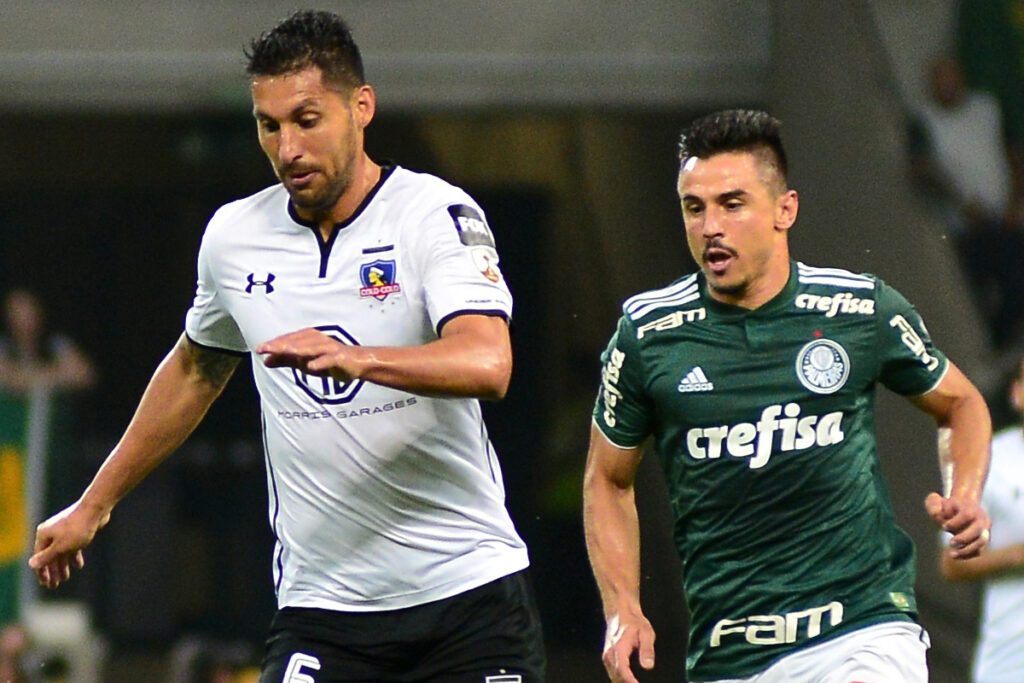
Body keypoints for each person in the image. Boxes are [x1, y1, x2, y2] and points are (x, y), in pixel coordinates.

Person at [28, 10, 544, 682]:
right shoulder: (235, 236)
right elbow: (196, 366)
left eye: (307, 119)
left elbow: (488, 362)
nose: (287, 147)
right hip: (323, 608)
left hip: (467, 599)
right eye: (268, 125)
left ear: (361, 108)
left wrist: (361, 358)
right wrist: (94, 505)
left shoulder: (432, 214)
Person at [583, 109, 993, 683]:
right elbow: (608, 476)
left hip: (863, 630)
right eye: (693, 208)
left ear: (785, 209)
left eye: (732, 203)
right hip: (730, 650)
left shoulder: (859, 311)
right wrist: (621, 606)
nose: (709, 228)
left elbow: (961, 402)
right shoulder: (648, 334)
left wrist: (967, 494)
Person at [907, 55, 1024, 350]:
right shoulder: (926, 121)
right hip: (967, 228)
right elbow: (921, 168)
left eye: (952, 76)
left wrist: (1015, 199)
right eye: (940, 79)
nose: (948, 84)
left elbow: (1012, 152)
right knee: (993, 291)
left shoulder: (985, 108)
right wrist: (961, 202)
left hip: (1005, 216)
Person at [939, 356, 1024, 682]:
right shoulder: (990, 461)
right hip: (1010, 660)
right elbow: (951, 563)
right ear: (1016, 393)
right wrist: (1017, 554)